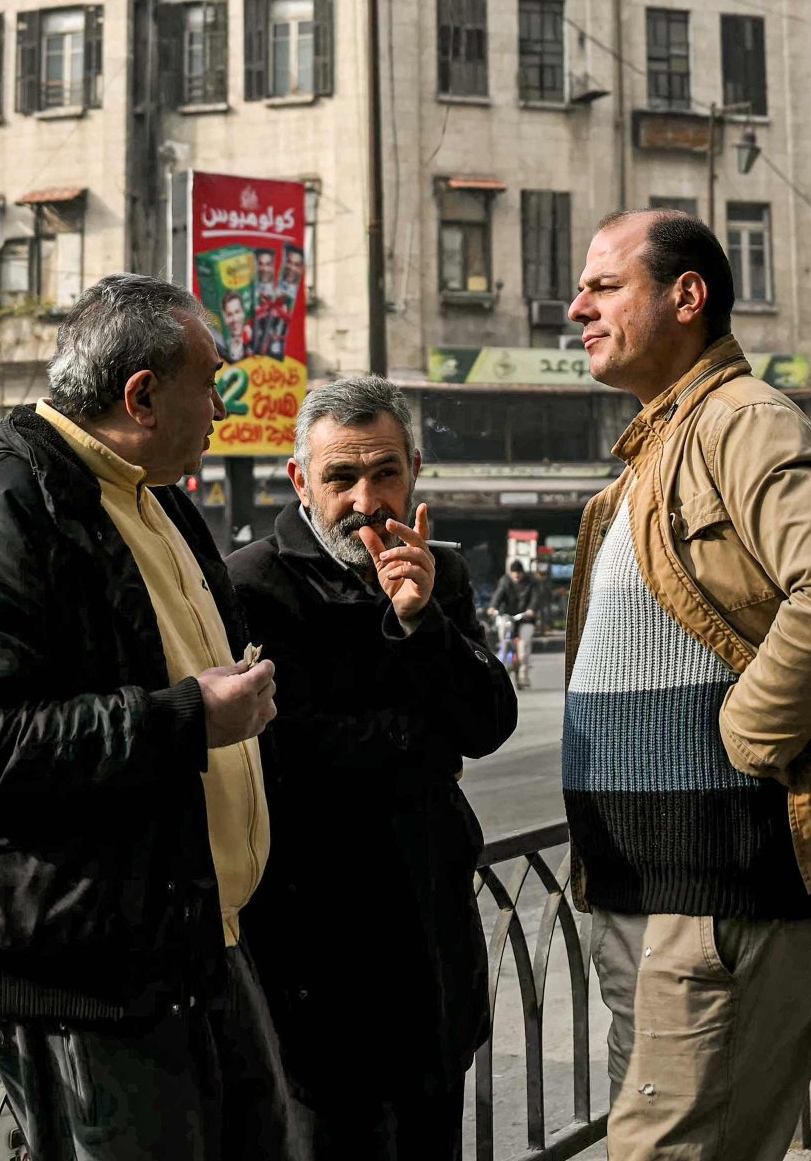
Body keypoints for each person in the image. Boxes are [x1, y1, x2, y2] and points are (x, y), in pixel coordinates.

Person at [560, 211, 811, 1161]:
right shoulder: (654, 454)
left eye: (604, 286)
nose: (577, 307)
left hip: (720, 886)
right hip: (652, 888)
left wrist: (747, 733)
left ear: (686, 297)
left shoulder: (739, 421)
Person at [0, 274, 289, 1161]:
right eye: (210, 381)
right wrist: (184, 720)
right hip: (87, 982)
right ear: (143, 396)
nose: (223, 407)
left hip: (196, 949)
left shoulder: (158, 497)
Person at [230, 377, 518, 1160]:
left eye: (385, 472)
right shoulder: (253, 584)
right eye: (341, 478)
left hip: (429, 940)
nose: (367, 498)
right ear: (300, 481)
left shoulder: (440, 574)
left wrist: (422, 622)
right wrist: (418, 740)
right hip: (313, 955)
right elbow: (289, 754)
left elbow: (487, 723)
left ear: (415, 469)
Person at [494, 556, 546, 689]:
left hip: (526, 618)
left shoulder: (532, 582)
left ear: (522, 572)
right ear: (511, 573)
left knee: (523, 647)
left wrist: (532, 610)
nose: (516, 576)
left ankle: (523, 675)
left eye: (518, 574)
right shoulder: (505, 581)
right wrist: (493, 607)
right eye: (514, 574)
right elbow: (498, 595)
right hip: (508, 616)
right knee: (503, 633)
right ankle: (503, 653)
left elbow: (536, 598)